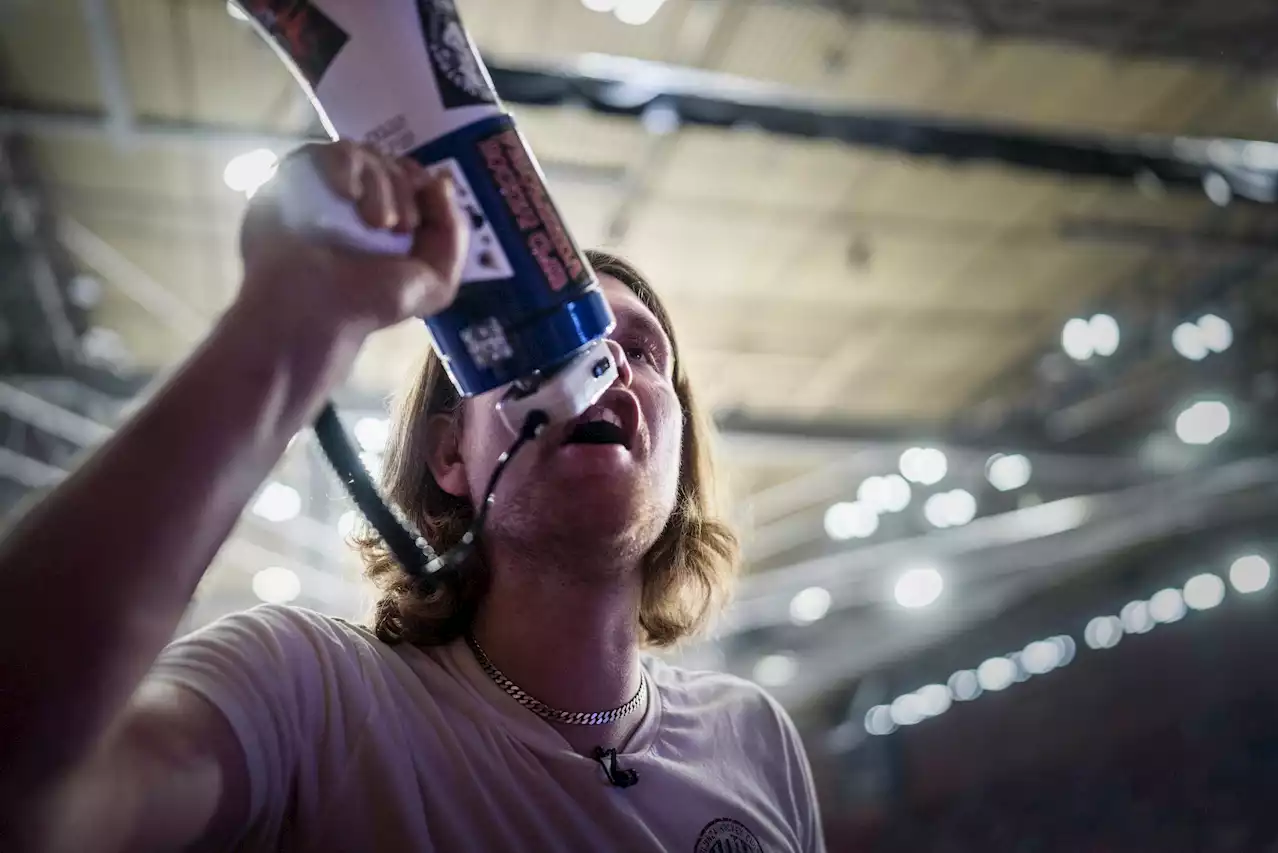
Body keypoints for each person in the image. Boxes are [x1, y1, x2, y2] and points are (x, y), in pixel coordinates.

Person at [0, 141, 824, 852]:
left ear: (679, 460)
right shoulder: (307, 693)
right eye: (547, 346)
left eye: (643, 350)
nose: (601, 372)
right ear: (449, 456)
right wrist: (286, 321)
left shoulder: (755, 740)